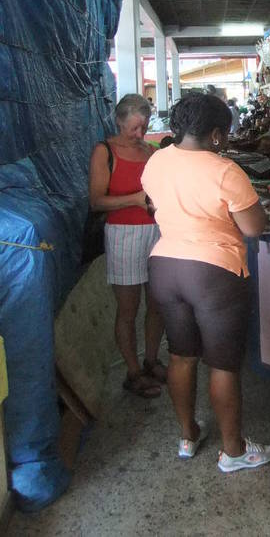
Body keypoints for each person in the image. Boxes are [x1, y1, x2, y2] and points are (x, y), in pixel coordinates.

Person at [141, 92, 270, 471]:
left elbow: (155, 206)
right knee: (222, 364)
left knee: (181, 355)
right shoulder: (224, 170)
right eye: (226, 133)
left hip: (165, 266)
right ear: (216, 134)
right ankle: (233, 452)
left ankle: (188, 436)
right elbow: (253, 227)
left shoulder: (156, 161)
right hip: (213, 272)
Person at [89, 94, 166, 398]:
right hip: (122, 234)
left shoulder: (150, 151)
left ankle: (151, 360)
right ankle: (133, 373)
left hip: (155, 231)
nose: (138, 134)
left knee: (158, 303)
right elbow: (97, 202)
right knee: (128, 309)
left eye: (143, 128)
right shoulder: (104, 151)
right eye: (133, 128)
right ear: (119, 121)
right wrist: (134, 200)